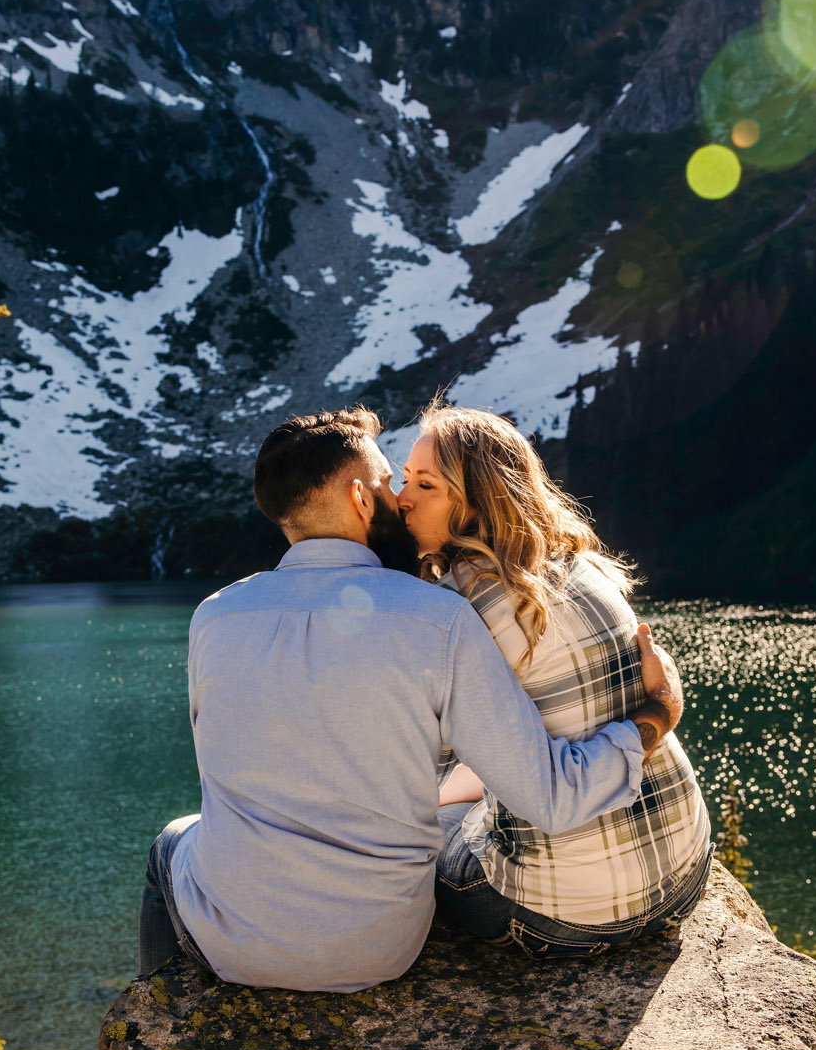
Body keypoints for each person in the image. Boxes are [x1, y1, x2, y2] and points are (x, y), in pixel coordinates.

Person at [137, 405, 686, 992]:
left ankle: (157, 1007)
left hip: (232, 945)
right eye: (388, 480)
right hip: (380, 948)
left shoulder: (213, 618)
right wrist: (657, 716)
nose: (398, 498)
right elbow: (542, 792)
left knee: (173, 839)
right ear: (359, 498)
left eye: (416, 484)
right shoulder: (440, 618)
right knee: (446, 820)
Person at [398, 402, 712, 957]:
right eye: (404, 481)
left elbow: (420, 768)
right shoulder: (582, 563)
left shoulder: (454, 612)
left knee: (426, 826)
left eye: (427, 486)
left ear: (478, 501)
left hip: (565, 916)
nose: (402, 500)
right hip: (686, 868)